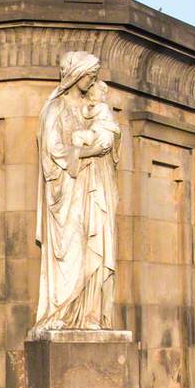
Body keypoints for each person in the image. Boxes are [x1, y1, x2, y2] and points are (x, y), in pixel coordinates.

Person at [32, 51, 121, 335]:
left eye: (94, 76)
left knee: (95, 247)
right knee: (70, 252)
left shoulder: (93, 107)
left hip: (93, 189)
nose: (91, 81)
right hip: (67, 193)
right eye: (88, 76)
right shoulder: (55, 109)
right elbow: (53, 151)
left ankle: (90, 314)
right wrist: (88, 151)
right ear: (74, 75)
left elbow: (109, 137)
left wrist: (103, 144)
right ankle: (60, 312)